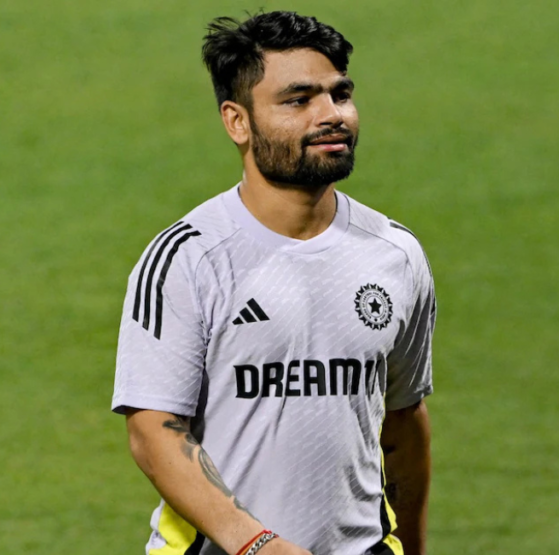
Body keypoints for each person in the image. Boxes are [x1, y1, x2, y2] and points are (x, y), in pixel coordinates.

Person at [112, 11, 435, 555]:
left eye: (340, 94)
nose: (331, 115)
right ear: (237, 122)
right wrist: (256, 544)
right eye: (298, 100)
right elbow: (153, 432)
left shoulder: (394, 254)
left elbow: (403, 421)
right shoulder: (189, 258)